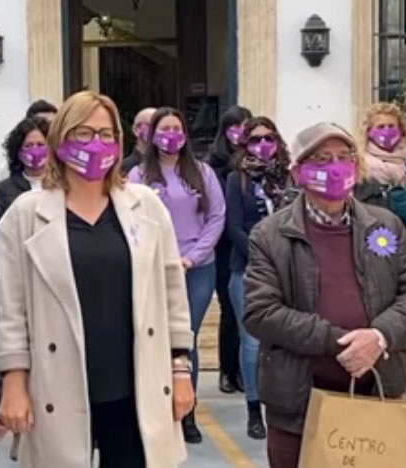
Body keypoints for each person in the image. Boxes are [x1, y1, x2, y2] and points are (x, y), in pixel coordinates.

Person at [0, 91, 193, 468]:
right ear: (60, 140)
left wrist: (181, 369)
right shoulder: (25, 215)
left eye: (105, 134)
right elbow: (11, 309)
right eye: (83, 133)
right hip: (59, 383)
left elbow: (172, 297)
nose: (96, 144)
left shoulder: (145, 206)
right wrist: (13, 381)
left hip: (134, 386)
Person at [243, 122, 406, 467]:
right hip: (297, 406)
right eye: (322, 159)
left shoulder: (385, 225)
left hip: (377, 398)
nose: (335, 167)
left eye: (344, 157)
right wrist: (339, 341)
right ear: (298, 171)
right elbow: (261, 312)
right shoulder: (269, 235)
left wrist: (379, 337)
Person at [125, 107, 225, 444]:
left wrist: (191, 258)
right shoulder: (138, 176)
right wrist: (161, 258)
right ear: (151, 136)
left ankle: (188, 411)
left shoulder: (203, 172)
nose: (170, 135)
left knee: (188, 337)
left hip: (197, 267)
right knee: (155, 338)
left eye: (176, 128)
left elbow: (216, 217)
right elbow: (132, 221)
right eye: (163, 129)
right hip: (155, 267)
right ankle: (155, 407)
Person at [222, 115, 292, 440]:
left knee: (285, 339)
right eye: (255, 139)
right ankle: (254, 409)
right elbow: (233, 226)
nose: (263, 145)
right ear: (244, 144)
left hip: (288, 268)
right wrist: (262, 256)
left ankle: (283, 404)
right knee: (251, 342)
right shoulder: (237, 180)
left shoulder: (290, 177)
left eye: (268, 138)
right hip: (246, 268)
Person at [208, 105, 251, 396]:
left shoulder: (257, 162)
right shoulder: (214, 164)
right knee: (229, 311)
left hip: (253, 247)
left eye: (244, 127)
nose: (238, 133)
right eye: (233, 127)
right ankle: (227, 371)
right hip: (225, 247)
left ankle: (244, 371)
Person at [0, 117, 50, 271]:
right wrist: (5, 270)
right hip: (16, 270)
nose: (35, 150)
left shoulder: (63, 187)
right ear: (18, 152)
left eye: (40, 145)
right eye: (28, 145)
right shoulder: (4, 189)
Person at [357, 103, 406, 250]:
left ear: (401, 130)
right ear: (368, 132)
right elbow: (361, 209)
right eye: (380, 127)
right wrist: (402, 194)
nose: (386, 131)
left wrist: (386, 196)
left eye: (391, 126)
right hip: (369, 241)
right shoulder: (359, 165)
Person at [119, 106, 157, 174]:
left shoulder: (170, 164)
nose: (156, 130)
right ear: (136, 130)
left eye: (160, 126)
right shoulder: (126, 168)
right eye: (151, 125)